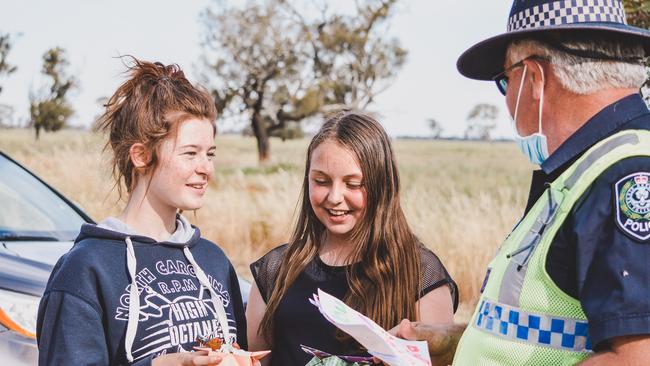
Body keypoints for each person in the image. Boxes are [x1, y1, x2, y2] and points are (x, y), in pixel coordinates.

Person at [394, 0, 650, 365]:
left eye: (504, 81)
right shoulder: (583, 173)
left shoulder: (627, 176)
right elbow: (551, 332)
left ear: (533, 78)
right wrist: (452, 342)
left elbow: (637, 359)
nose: (507, 101)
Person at [36, 59, 247, 365]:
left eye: (209, 154)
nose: (206, 169)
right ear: (142, 155)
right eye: (190, 153)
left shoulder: (213, 261)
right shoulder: (85, 269)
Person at [245, 111, 459, 365]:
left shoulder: (420, 273)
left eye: (353, 184)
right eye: (321, 181)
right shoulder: (275, 269)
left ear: (382, 185)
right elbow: (252, 360)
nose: (335, 197)